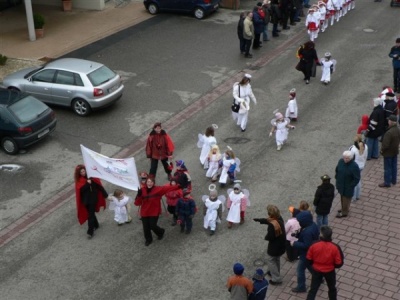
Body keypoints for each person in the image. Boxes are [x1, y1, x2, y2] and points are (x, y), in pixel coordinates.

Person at [134, 177, 180, 246]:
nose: (149, 183)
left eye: (151, 182)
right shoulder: (142, 190)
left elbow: (169, 188)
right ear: (146, 183)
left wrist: (179, 186)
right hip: (145, 212)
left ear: (154, 183)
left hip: (154, 211)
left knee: (153, 226)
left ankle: (161, 232)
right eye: (148, 182)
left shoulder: (158, 189)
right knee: (146, 227)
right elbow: (137, 203)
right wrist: (138, 195)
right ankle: (148, 239)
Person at [306, 226, 344, 300]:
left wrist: (314, 264)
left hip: (316, 270)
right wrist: (331, 265)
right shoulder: (335, 247)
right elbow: (339, 263)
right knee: (332, 288)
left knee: (313, 290)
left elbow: (308, 259)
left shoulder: (314, 245)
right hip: (330, 271)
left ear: (321, 235)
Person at [253, 205, 286, 285]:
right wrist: (260, 220)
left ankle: (276, 279)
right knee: (276, 259)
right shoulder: (279, 218)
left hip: (275, 247)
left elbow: (270, 236)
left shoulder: (273, 225)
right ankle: (275, 273)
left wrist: (266, 237)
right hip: (281, 245)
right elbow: (269, 220)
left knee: (271, 260)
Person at [74, 165, 108, 239]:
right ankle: (96, 225)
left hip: (92, 199)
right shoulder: (79, 180)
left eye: (84, 171)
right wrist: (87, 184)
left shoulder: (91, 177)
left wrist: (105, 195)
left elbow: (99, 186)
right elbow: (81, 190)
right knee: (91, 213)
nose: (83, 173)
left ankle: (90, 231)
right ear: (79, 173)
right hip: (85, 201)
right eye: (81, 172)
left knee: (90, 215)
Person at [291, 210, 319, 293]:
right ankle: (318, 278)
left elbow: (306, 245)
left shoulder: (307, 232)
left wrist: (295, 243)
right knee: (310, 266)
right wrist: (298, 234)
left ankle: (301, 287)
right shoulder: (313, 225)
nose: (299, 223)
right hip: (310, 254)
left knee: (300, 270)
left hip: (306, 254)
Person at [335, 151, 360, 218]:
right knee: (342, 197)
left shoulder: (354, 166)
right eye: (344, 158)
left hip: (348, 186)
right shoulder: (341, 161)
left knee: (346, 199)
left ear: (351, 158)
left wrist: (351, 185)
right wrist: (337, 178)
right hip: (341, 185)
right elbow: (337, 170)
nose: (345, 159)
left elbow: (357, 178)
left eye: (347, 158)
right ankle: (343, 208)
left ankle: (344, 212)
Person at [379, 115, 400, 188]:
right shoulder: (397, 129)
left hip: (388, 153)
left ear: (391, 122)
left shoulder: (389, 133)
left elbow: (385, 145)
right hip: (395, 151)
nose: (388, 121)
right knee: (394, 166)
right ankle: (393, 180)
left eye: (389, 120)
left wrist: (382, 150)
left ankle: (387, 182)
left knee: (387, 168)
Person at [349, 135, 368, 201]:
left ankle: (353, 197)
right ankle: (358, 195)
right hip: (361, 166)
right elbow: (366, 156)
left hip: (354, 167)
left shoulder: (353, 149)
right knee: (358, 180)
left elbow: (350, 158)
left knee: (354, 182)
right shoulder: (365, 146)